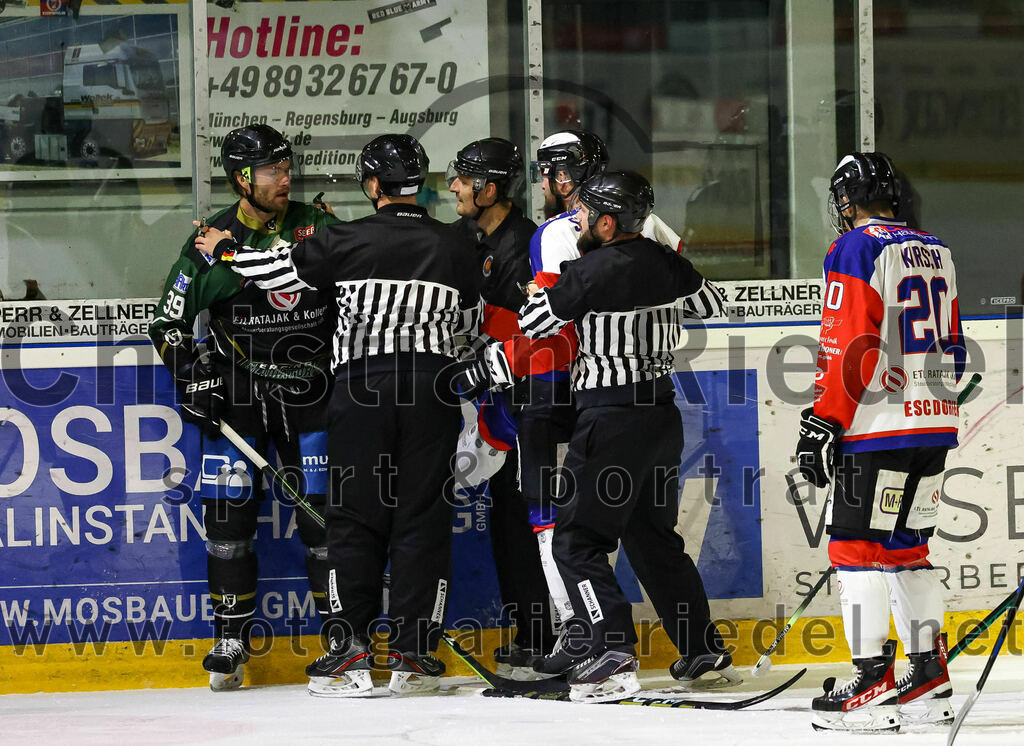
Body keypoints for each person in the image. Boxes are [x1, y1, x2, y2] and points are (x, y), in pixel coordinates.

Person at [195, 134, 480, 698]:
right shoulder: (458, 245)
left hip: (362, 390)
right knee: (421, 519)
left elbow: (273, 274)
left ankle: (349, 650)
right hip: (433, 391)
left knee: (353, 520)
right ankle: (413, 653)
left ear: (373, 186)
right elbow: (472, 322)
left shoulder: (344, 239)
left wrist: (222, 250)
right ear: (418, 183)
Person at [516, 170, 735, 703]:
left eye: (586, 215)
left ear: (609, 223)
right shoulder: (666, 262)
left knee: (576, 541)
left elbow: (534, 322)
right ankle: (700, 647)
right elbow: (712, 305)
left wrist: (546, 288)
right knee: (653, 538)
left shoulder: (589, 271)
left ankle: (609, 652)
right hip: (660, 416)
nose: (579, 222)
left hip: (610, 418)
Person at [149, 123, 340, 690]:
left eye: (288, 168)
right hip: (239, 401)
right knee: (228, 522)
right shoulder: (210, 241)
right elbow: (166, 321)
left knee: (325, 524)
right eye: (274, 171)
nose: (286, 178)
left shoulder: (318, 224)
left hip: (311, 396)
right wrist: (190, 375)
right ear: (241, 178)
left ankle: (338, 637)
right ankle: (230, 639)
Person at [795, 152, 965, 732]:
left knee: (853, 548)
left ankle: (869, 683)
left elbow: (849, 345)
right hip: (933, 423)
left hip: (878, 428)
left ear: (847, 201)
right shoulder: (935, 246)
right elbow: (956, 346)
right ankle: (926, 677)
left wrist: (824, 419)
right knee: (905, 550)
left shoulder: (855, 248)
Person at [446, 137, 559, 676]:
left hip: (526, 405)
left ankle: (543, 635)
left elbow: (534, 337)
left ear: (488, 189)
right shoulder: (476, 236)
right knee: (508, 521)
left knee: (523, 522)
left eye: (463, 179)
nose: (453, 187)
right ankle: (532, 632)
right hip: (499, 400)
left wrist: (483, 370)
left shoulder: (524, 244)